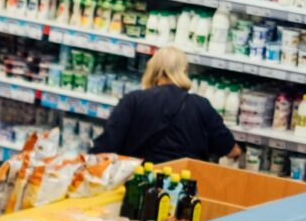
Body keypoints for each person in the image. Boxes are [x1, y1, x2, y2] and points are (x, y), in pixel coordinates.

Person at [91, 46, 236, 163]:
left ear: (154, 70)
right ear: (184, 71)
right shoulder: (200, 105)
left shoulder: (133, 100)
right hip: (184, 187)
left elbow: (104, 147)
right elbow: (230, 150)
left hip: (138, 181)